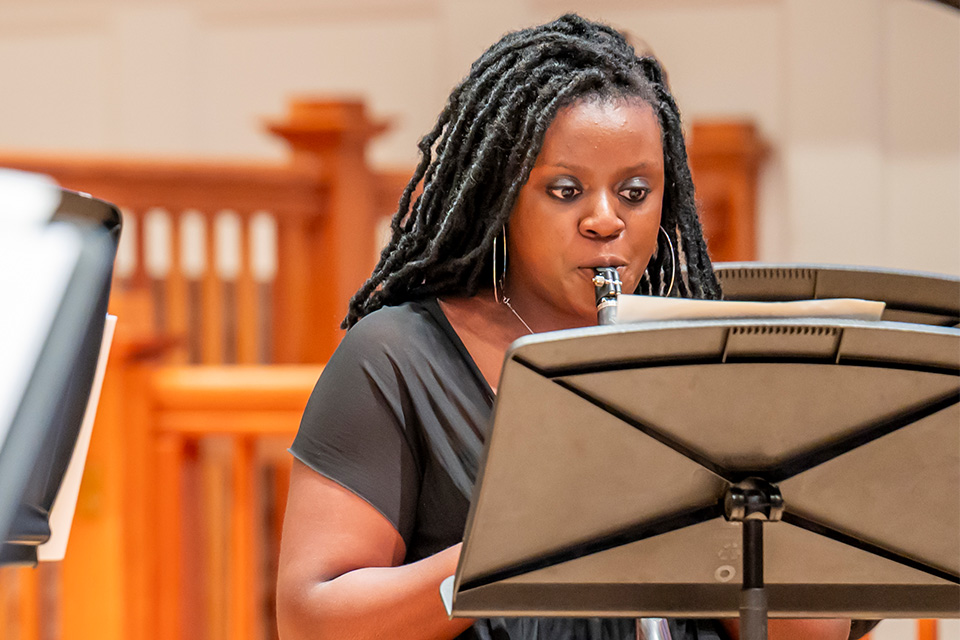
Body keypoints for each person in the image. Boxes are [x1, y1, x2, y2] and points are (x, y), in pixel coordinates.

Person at [276, 14, 872, 640]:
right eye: (565, 190)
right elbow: (314, 620)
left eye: (636, 192)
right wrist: (520, 545)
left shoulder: (707, 359)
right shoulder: (396, 357)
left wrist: (697, 529)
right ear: (503, 198)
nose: (606, 220)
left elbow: (816, 631)